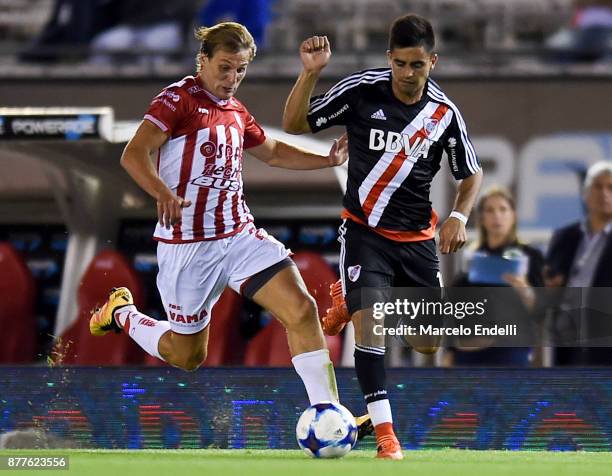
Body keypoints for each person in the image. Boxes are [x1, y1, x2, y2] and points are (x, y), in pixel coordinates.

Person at [88, 22, 373, 437]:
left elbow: (271, 152)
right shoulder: (176, 99)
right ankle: (123, 314)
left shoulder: (236, 111)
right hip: (188, 247)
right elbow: (134, 155)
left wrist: (326, 159)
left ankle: (328, 415)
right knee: (187, 356)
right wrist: (162, 192)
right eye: (224, 67)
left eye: (240, 70)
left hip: (238, 235)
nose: (232, 79)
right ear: (202, 60)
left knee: (301, 309)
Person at [282, 14, 483, 459]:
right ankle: (387, 435)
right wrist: (310, 73)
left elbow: (471, 174)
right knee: (369, 328)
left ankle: (347, 297)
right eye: (402, 64)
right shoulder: (361, 91)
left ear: (433, 60)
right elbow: (296, 124)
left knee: (428, 342)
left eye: (418, 65)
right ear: (389, 58)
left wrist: (459, 216)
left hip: (416, 241)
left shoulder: (444, 115)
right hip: (364, 231)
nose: (409, 75)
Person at [450, 186, 545, 366]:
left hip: (510, 350)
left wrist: (523, 288)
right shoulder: (472, 258)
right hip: (469, 352)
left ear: (513, 215)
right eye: (490, 210)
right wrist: (451, 351)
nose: (497, 216)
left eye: (503, 209)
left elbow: (542, 310)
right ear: (482, 218)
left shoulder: (530, 256)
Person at [545, 161, 612, 365]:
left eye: (610, 187)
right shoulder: (564, 236)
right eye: (597, 187)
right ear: (585, 193)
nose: (604, 193)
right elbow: (550, 281)